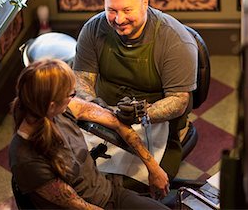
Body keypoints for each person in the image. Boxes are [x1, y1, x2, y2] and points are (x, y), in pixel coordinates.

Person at [73, 0, 198, 185]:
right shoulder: (94, 29)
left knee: (131, 186)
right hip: (103, 119)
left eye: (127, 10)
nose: (119, 19)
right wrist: (98, 109)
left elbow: (179, 100)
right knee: (74, 173)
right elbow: (81, 82)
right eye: (111, 10)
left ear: (145, 3)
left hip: (157, 127)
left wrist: (142, 113)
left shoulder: (174, 40)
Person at [9, 59, 170, 209]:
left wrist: (153, 168)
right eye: (70, 94)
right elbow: (77, 205)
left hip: (108, 192)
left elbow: (116, 123)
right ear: (51, 106)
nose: (74, 97)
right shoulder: (25, 158)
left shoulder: (62, 109)